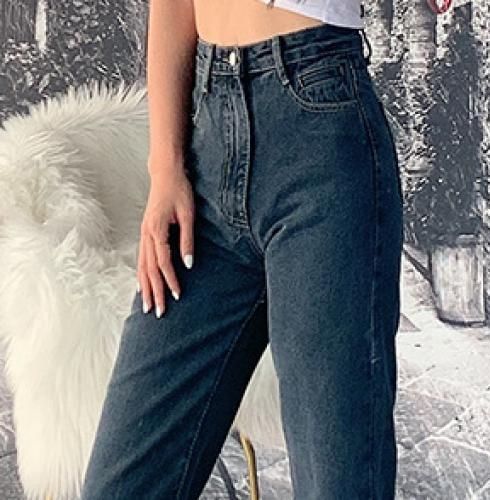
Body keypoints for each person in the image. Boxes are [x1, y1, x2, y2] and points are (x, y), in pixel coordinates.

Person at [80, 0, 403, 499]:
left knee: (337, 481)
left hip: (320, 130)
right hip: (207, 149)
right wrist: (165, 168)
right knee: (119, 486)